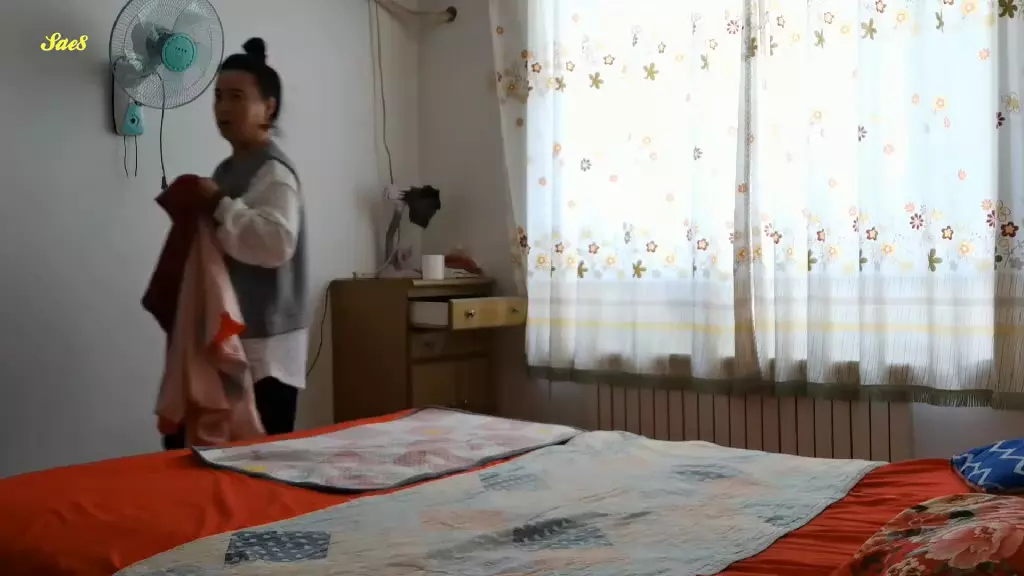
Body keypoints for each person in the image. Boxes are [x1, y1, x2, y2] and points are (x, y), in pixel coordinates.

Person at [162, 37, 309, 450]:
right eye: (219, 97)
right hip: (233, 333)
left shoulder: (274, 172)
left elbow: (276, 243)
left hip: (267, 344)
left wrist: (218, 204)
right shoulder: (226, 170)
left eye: (237, 97)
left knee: (258, 454)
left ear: (269, 108)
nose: (223, 108)